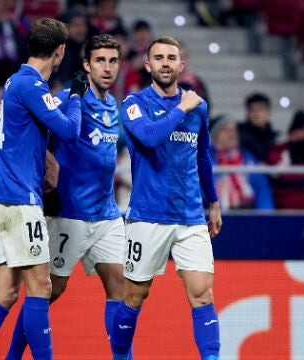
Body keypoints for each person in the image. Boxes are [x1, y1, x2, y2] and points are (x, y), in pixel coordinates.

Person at [0, 17, 88, 360]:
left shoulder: (18, 82)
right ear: (59, 52)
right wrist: (75, 95)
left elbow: (42, 110)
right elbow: (69, 130)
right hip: (20, 200)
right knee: (40, 287)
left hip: (5, 197)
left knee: (5, 293)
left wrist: (62, 94)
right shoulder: (30, 86)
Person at [4, 33, 131, 359]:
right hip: (69, 215)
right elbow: (30, 128)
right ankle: (13, 355)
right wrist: (47, 165)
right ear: (86, 64)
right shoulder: (68, 98)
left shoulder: (112, 105)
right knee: (50, 291)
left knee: (120, 288)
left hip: (107, 215)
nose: (107, 67)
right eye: (100, 60)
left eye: (113, 61)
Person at [109, 36, 222, 360]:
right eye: (158, 57)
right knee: (135, 294)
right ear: (148, 65)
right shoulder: (134, 103)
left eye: (172, 57)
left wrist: (212, 202)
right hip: (148, 216)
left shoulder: (197, 107)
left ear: (181, 65)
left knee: (202, 294)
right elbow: (149, 137)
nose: (165, 63)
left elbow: (202, 157)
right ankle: (119, 356)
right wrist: (180, 109)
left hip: (190, 217)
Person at [209, 115, 274, 210]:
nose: (232, 134)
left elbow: (262, 189)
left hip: (248, 214)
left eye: (234, 130)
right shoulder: (206, 159)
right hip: (216, 216)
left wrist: (265, 217)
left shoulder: (248, 158)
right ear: (214, 136)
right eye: (226, 130)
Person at [237, 92, 279, 163]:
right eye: (252, 110)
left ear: (269, 112)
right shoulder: (238, 133)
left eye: (261, 109)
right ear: (247, 113)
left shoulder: (274, 137)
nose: (256, 113)